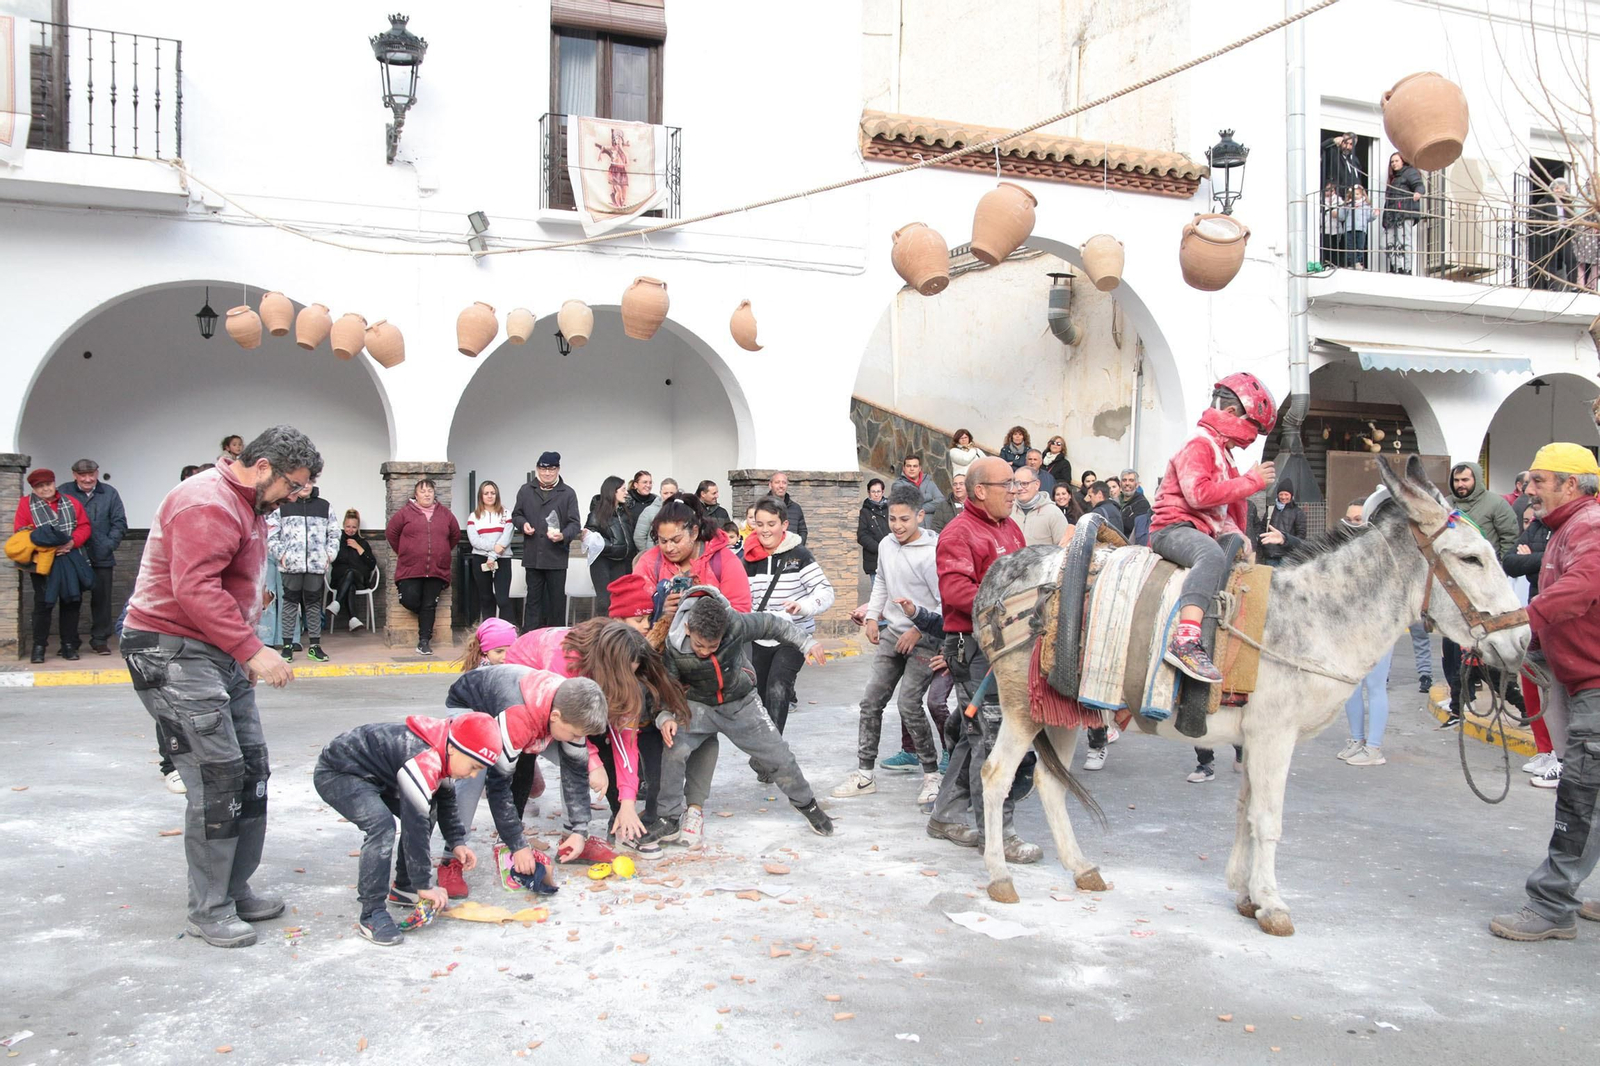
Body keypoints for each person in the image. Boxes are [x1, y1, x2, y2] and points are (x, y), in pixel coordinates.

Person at [121, 425, 320, 948]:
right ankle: (209, 908)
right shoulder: (206, 502)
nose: (295, 497)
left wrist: (247, 628)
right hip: (172, 650)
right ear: (261, 468)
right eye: (292, 486)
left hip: (218, 651)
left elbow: (226, 581)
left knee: (252, 767)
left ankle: (234, 888)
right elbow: (194, 589)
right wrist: (254, 648)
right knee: (218, 777)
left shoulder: (249, 505)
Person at [1489, 444, 1600, 941]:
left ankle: (1553, 907)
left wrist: (1517, 623)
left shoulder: (1589, 526)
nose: (1528, 490)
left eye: (1538, 480)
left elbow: (1580, 589)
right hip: (1584, 680)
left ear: (1570, 485)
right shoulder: (1566, 528)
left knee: (1580, 797)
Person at [638, 589, 834, 850]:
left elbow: (774, 624)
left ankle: (807, 804)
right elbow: (666, 688)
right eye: (699, 646)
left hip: (740, 702)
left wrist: (807, 643)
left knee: (779, 756)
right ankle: (669, 817)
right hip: (696, 705)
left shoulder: (735, 623)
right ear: (687, 628)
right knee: (673, 750)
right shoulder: (673, 645)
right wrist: (664, 717)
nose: (706, 652)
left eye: (713, 646)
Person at [926, 455, 1040, 862]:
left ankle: (945, 815)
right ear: (980, 491)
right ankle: (998, 833)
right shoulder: (958, 534)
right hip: (974, 648)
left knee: (976, 734)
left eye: (1016, 484)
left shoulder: (1010, 527)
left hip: (1006, 646)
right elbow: (956, 593)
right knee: (994, 739)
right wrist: (1013, 606)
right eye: (1006, 485)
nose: (1014, 492)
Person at [312, 711, 502, 946]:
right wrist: (425, 885)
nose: (473, 775)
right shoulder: (425, 758)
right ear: (453, 749)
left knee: (429, 806)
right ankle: (371, 914)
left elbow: (445, 797)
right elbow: (415, 825)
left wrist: (457, 841)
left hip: (377, 777)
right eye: (473, 766)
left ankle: (404, 886)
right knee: (381, 826)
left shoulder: (447, 745)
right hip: (339, 773)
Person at [507, 619, 689, 851]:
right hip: (527, 685)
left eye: (632, 674)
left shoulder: (622, 674)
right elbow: (571, 729)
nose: (628, 681)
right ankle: (512, 838)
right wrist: (592, 763)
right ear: (608, 665)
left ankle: (620, 821)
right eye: (624, 674)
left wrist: (628, 802)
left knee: (601, 744)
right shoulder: (565, 662)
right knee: (533, 752)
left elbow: (626, 745)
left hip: (578, 692)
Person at [1150, 373, 1276, 684]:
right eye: (1253, 429)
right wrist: (1251, 482)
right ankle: (1186, 640)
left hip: (1197, 528)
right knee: (1210, 555)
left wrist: (1240, 538)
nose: (1251, 439)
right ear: (1232, 414)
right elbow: (1198, 494)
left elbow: (1218, 512)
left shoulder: (1223, 453)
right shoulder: (1199, 443)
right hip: (1172, 529)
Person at [831, 483, 943, 806]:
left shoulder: (933, 552)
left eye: (904, 519)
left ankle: (931, 775)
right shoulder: (885, 545)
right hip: (893, 632)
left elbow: (943, 604)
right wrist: (872, 616)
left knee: (909, 704)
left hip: (925, 636)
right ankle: (865, 774)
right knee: (871, 700)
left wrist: (919, 632)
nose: (897, 525)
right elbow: (880, 580)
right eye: (893, 518)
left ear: (920, 516)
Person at [743, 495, 836, 739]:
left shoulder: (799, 555)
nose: (765, 530)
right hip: (759, 637)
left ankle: (772, 750)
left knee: (778, 687)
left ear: (784, 525)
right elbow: (739, 598)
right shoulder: (746, 558)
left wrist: (803, 605)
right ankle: (764, 749)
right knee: (759, 696)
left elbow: (825, 592)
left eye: (771, 524)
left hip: (794, 637)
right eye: (760, 524)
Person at [1439, 461, 1519, 726]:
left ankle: (1521, 704)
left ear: (1477, 479)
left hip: (1487, 593)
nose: (1461, 485)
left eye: (1466, 480)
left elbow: (1510, 542)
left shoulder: (1496, 505)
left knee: (1492, 652)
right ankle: (1458, 702)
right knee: (1452, 649)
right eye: (1457, 480)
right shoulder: (1446, 506)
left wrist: (1498, 577)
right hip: (1454, 592)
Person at [1331, 500, 1391, 766]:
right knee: (1351, 686)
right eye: (1348, 519)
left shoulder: (1383, 551)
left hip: (1379, 628)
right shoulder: (1346, 550)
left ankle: (1374, 747)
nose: (1351, 524)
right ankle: (1357, 739)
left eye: (1357, 519)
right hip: (1351, 628)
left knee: (1375, 686)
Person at [1503, 507, 1559, 784]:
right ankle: (1545, 750)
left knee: (1559, 690)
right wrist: (1544, 560)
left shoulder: (1577, 523)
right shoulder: (1537, 525)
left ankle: (1561, 758)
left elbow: (1563, 563)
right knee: (1530, 682)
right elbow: (1510, 562)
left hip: (1561, 614)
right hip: (1535, 612)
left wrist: (1535, 559)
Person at [13, 468, 91, 662]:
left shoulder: (71, 502)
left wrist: (72, 542)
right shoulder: (25, 504)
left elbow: (84, 526)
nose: (45, 489)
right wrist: (47, 548)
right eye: (40, 486)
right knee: (43, 603)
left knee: (71, 601)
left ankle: (68, 645)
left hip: (70, 558)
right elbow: (21, 532)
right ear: (34, 488)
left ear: (54, 484)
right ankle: (39, 646)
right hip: (43, 562)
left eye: (47, 484)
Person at [634, 496, 752, 615]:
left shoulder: (724, 561)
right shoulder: (650, 562)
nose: (669, 548)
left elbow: (740, 614)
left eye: (676, 540)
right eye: (663, 541)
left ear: (694, 532)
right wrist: (659, 608)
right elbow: (634, 613)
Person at [57, 459, 126, 656]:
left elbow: (119, 522)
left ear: (97, 473)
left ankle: (100, 639)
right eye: (82, 475)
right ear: (74, 475)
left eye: (91, 474)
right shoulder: (64, 491)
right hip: (72, 555)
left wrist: (108, 544)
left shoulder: (109, 493)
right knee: (70, 598)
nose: (87, 479)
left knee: (102, 599)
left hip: (101, 554)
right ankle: (69, 641)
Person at [386, 478, 461, 657]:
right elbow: (391, 533)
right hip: (410, 568)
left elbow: (455, 535)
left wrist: (440, 551)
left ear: (434, 493)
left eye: (430, 490)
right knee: (409, 600)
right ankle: (425, 616)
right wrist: (405, 551)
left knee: (429, 605)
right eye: (422, 491)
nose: (427, 494)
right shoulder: (405, 513)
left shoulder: (445, 514)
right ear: (415, 494)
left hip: (436, 568)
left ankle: (424, 641)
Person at [266, 486, 338, 663]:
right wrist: (281, 555)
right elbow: (270, 532)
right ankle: (287, 646)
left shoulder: (324, 506)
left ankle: (314, 646)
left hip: (316, 566)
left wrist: (328, 555)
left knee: (313, 605)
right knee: (289, 605)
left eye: (309, 481)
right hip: (290, 566)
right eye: (302, 482)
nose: (305, 486)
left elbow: (334, 533)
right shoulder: (284, 506)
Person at [512, 452, 583, 632]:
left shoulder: (567, 493)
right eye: (543, 469)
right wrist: (523, 525)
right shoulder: (526, 490)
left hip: (556, 556)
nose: (547, 473)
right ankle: (529, 637)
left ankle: (556, 638)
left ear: (558, 470)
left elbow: (575, 524)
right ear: (537, 469)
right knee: (533, 600)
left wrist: (563, 535)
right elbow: (516, 515)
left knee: (556, 601)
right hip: (533, 555)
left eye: (552, 469)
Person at [465, 480, 514, 624]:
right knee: (486, 598)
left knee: (503, 599)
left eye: (493, 493)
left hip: (502, 559)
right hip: (481, 559)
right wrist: (494, 547)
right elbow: (474, 541)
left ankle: (510, 633)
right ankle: (489, 634)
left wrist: (494, 555)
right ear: (481, 496)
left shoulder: (506, 513)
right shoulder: (474, 516)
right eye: (486, 493)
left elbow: (507, 537)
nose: (490, 496)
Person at [586, 476, 632, 617]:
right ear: (613, 491)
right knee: (604, 602)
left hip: (620, 561)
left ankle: (615, 633)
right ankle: (600, 632)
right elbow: (589, 538)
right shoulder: (597, 513)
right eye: (623, 489)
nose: (626, 493)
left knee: (619, 600)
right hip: (602, 562)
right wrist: (612, 546)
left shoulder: (624, 513)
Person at [329, 510, 377, 633]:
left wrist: (358, 547)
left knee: (351, 572)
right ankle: (353, 619)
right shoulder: (338, 542)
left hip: (359, 578)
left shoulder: (363, 543)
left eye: (354, 527)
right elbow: (332, 560)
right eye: (348, 527)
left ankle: (337, 603)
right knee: (350, 585)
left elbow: (371, 564)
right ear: (343, 525)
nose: (350, 530)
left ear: (358, 528)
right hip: (340, 579)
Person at [1381, 151, 1426, 275]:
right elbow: (1388, 201)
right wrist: (1385, 219)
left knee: (1404, 241)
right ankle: (1398, 267)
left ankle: (1407, 269)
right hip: (1392, 216)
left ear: (1403, 161)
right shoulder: (1394, 178)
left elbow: (1419, 185)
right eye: (1392, 162)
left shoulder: (1410, 172)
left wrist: (1418, 193)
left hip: (1405, 213)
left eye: (1396, 161)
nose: (1394, 164)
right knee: (1384, 242)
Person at [1530, 178, 1576, 290]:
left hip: (1563, 236)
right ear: (1552, 190)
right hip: (1549, 237)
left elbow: (1573, 220)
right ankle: (1548, 288)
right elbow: (1533, 217)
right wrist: (1548, 226)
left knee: (1571, 259)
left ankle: (1573, 286)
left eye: (1562, 189)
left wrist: (1569, 226)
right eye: (1557, 188)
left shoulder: (1567, 204)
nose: (1560, 191)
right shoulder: (1544, 202)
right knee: (1550, 263)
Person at [1252, 480, 1306, 566]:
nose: (1283, 497)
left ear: (1291, 495)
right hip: (1270, 556)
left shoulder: (1298, 512)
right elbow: (1263, 529)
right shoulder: (1270, 510)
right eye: (1281, 494)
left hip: (1287, 557)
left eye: (1286, 494)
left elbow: (1301, 536)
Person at [1012, 466, 1070, 546]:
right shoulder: (1008, 510)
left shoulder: (1053, 513)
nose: (1019, 488)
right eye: (1016, 484)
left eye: (1024, 484)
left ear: (1037, 484)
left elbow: (1064, 549)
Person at [631, 478, 678, 553]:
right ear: (660, 493)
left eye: (672, 493)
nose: (669, 496)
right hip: (654, 557)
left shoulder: (683, 511)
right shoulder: (649, 511)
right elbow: (639, 537)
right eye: (666, 493)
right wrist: (648, 554)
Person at [622, 470, 656, 568]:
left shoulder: (655, 502)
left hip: (647, 550)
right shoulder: (625, 502)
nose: (648, 485)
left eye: (650, 482)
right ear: (636, 485)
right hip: (628, 551)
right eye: (644, 482)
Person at [857, 478, 890, 576]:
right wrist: (879, 548)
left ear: (883, 492)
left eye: (878, 491)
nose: (876, 494)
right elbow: (862, 535)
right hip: (874, 560)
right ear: (868, 493)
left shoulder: (891, 508)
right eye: (873, 492)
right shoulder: (865, 512)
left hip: (893, 557)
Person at [1339, 185, 1376, 270]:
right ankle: (1353, 262)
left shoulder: (1366, 205)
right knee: (1350, 246)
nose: (1355, 196)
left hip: (1361, 228)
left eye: (1357, 194)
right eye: (1353, 194)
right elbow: (1341, 216)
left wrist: (1374, 215)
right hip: (1349, 228)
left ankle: (1359, 262)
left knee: (1360, 246)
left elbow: (1369, 217)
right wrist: (1344, 206)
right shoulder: (1348, 205)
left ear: (1362, 195)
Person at [767, 472, 808, 543]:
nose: (781, 486)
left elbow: (802, 531)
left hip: (792, 552)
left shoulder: (796, 508)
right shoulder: (762, 506)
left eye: (784, 483)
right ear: (770, 485)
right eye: (777, 482)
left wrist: (798, 547)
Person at [1118, 469, 1152, 546]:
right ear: (1120, 483)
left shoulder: (1142, 504)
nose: (1127, 483)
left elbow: (1131, 526)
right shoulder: (1115, 500)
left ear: (1137, 484)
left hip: (1129, 545)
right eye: (1124, 480)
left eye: (1131, 480)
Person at [1320, 181, 1344, 266]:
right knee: (1325, 247)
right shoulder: (1320, 200)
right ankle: (1325, 264)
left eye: (1332, 190)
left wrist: (1338, 214)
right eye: (1327, 190)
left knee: (1335, 248)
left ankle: (1335, 264)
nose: (1329, 192)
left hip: (1336, 229)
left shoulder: (1339, 201)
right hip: (1325, 228)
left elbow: (1343, 215)